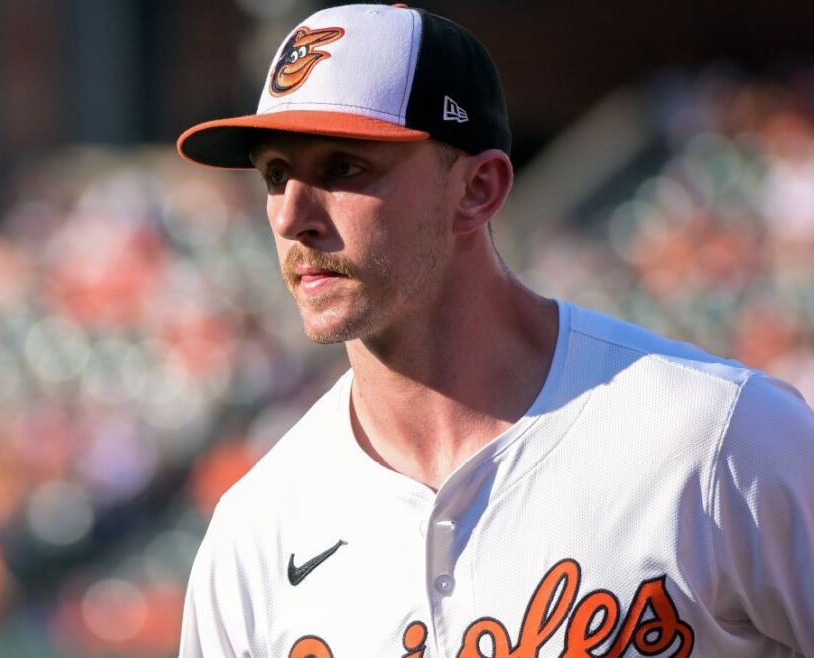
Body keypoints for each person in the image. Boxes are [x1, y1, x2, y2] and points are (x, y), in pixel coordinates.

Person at [174, 4, 814, 657]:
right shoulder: (255, 530)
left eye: (343, 168)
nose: (292, 217)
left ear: (478, 188)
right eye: (276, 174)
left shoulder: (720, 435)